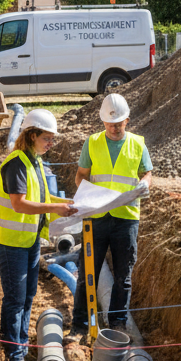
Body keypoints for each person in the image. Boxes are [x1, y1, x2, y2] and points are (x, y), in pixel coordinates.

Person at [0, 109, 76, 361]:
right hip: (9, 240)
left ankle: (21, 347)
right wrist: (55, 208)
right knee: (15, 298)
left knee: (28, 295)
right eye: (47, 138)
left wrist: (68, 204)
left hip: (28, 238)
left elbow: (43, 195)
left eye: (52, 140)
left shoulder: (33, 160)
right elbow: (19, 203)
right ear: (31, 135)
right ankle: (14, 357)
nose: (50, 144)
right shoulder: (17, 164)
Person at [67, 94, 152, 341]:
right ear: (103, 122)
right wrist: (91, 193)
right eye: (109, 123)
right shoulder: (92, 143)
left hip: (126, 218)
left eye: (119, 123)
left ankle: (118, 323)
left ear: (127, 120)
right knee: (87, 272)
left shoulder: (138, 144)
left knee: (123, 274)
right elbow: (81, 176)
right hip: (96, 216)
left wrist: (145, 183)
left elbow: (146, 172)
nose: (114, 128)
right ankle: (80, 325)